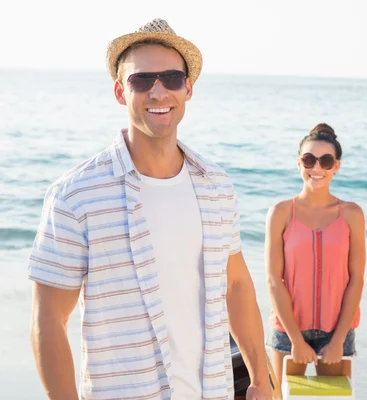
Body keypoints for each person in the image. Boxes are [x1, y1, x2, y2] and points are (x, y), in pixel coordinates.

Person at [28, 18, 271, 400]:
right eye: (141, 80)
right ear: (120, 92)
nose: (158, 92)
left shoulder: (216, 185)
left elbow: (237, 285)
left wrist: (262, 379)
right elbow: (48, 321)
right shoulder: (76, 195)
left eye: (171, 78)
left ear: (188, 89)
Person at [265, 123, 366, 386]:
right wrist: (296, 340)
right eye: (309, 160)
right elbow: (274, 280)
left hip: (336, 332)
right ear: (299, 163)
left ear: (336, 166)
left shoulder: (352, 214)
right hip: (288, 331)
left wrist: (339, 340)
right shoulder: (281, 212)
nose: (317, 168)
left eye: (326, 160)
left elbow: (356, 279)